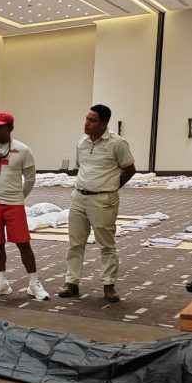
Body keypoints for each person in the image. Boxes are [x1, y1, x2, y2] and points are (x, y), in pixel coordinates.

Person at [58, 104, 136, 303]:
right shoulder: (81, 143)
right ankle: (71, 282)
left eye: (92, 120)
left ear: (104, 123)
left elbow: (129, 169)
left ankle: (109, 285)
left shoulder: (117, 143)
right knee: (75, 243)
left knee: (106, 244)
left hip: (103, 199)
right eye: (86, 118)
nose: (86, 123)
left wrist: (110, 187)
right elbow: (82, 167)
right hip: (79, 197)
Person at [0, 112, 49, 301]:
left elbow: (30, 178)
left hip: (14, 204)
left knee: (23, 243)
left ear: (10, 128)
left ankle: (34, 283)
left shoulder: (23, 150)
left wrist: (18, 196)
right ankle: (2, 282)